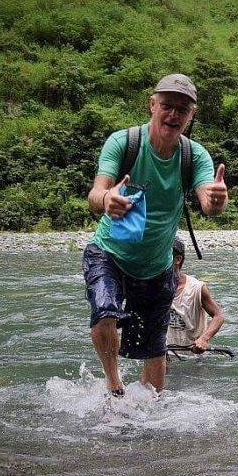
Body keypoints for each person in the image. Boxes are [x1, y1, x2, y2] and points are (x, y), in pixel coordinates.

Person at [82, 74, 228, 397]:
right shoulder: (123, 143)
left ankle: (150, 420)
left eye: (182, 109)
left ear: (191, 115)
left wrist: (216, 199)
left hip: (157, 267)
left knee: (153, 349)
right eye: (166, 106)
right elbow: (95, 193)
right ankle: (114, 384)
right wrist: (107, 200)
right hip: (109, 253)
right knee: (104, 312)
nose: (173, 115)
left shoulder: (194, 157)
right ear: (152, 105)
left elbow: (208, 201)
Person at [167, 237, 224, 354]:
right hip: (165, 354)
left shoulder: (197, 288)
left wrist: (204, 338)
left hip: (195, 355)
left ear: (177, 259)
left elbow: (218, 316)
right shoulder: (153, 288)